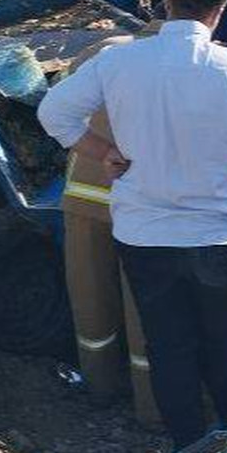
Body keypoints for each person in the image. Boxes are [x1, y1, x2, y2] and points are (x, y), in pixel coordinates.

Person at [37, 0, 227, 450]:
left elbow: (54, 113)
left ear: (168, 2)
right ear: (219, 12)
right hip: (218, 237)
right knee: (226, 343)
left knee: (169, 348)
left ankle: (187, 450)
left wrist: (103, 152)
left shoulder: (118, 63)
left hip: (144, 236)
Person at [59, 33, 159, 426]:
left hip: (83, 195)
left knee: (90, 298)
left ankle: (100, 388)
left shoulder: (102, 49)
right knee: (145, 310)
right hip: (140, 202)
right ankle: (151, 409)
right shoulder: (190, 64)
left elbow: (64, 107)